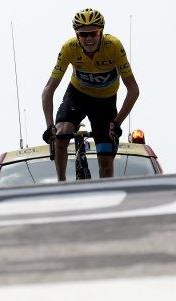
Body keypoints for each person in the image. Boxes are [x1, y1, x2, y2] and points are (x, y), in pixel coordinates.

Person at [41, 8, 140, 181]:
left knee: (106, 161)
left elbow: (133, 90)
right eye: (83, 34)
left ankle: (106, 197)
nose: (88, 39)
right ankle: (61, 183)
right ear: (77, 35)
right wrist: (50, 126)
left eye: (93, 33)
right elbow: (48, 90)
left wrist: (117, 123)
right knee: (61, 135)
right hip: (77, 95)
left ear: (101, 32)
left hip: (105, 102)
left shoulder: (113, 46)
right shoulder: (69, 48)